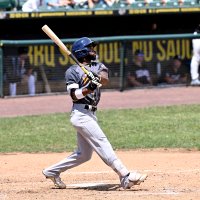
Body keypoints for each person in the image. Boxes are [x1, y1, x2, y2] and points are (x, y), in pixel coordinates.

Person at [42, 37, 147, 190]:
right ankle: (125, 176)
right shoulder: (71, 72)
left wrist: (96, 78)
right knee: (102, 141)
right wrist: (89, 87)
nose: (94, 50)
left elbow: (104, 79)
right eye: (90, 48)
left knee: (84, 155)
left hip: (91, 114)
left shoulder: (98, 66)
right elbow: (74, 95)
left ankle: (51, 172)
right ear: (83, 52)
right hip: (80, 114)